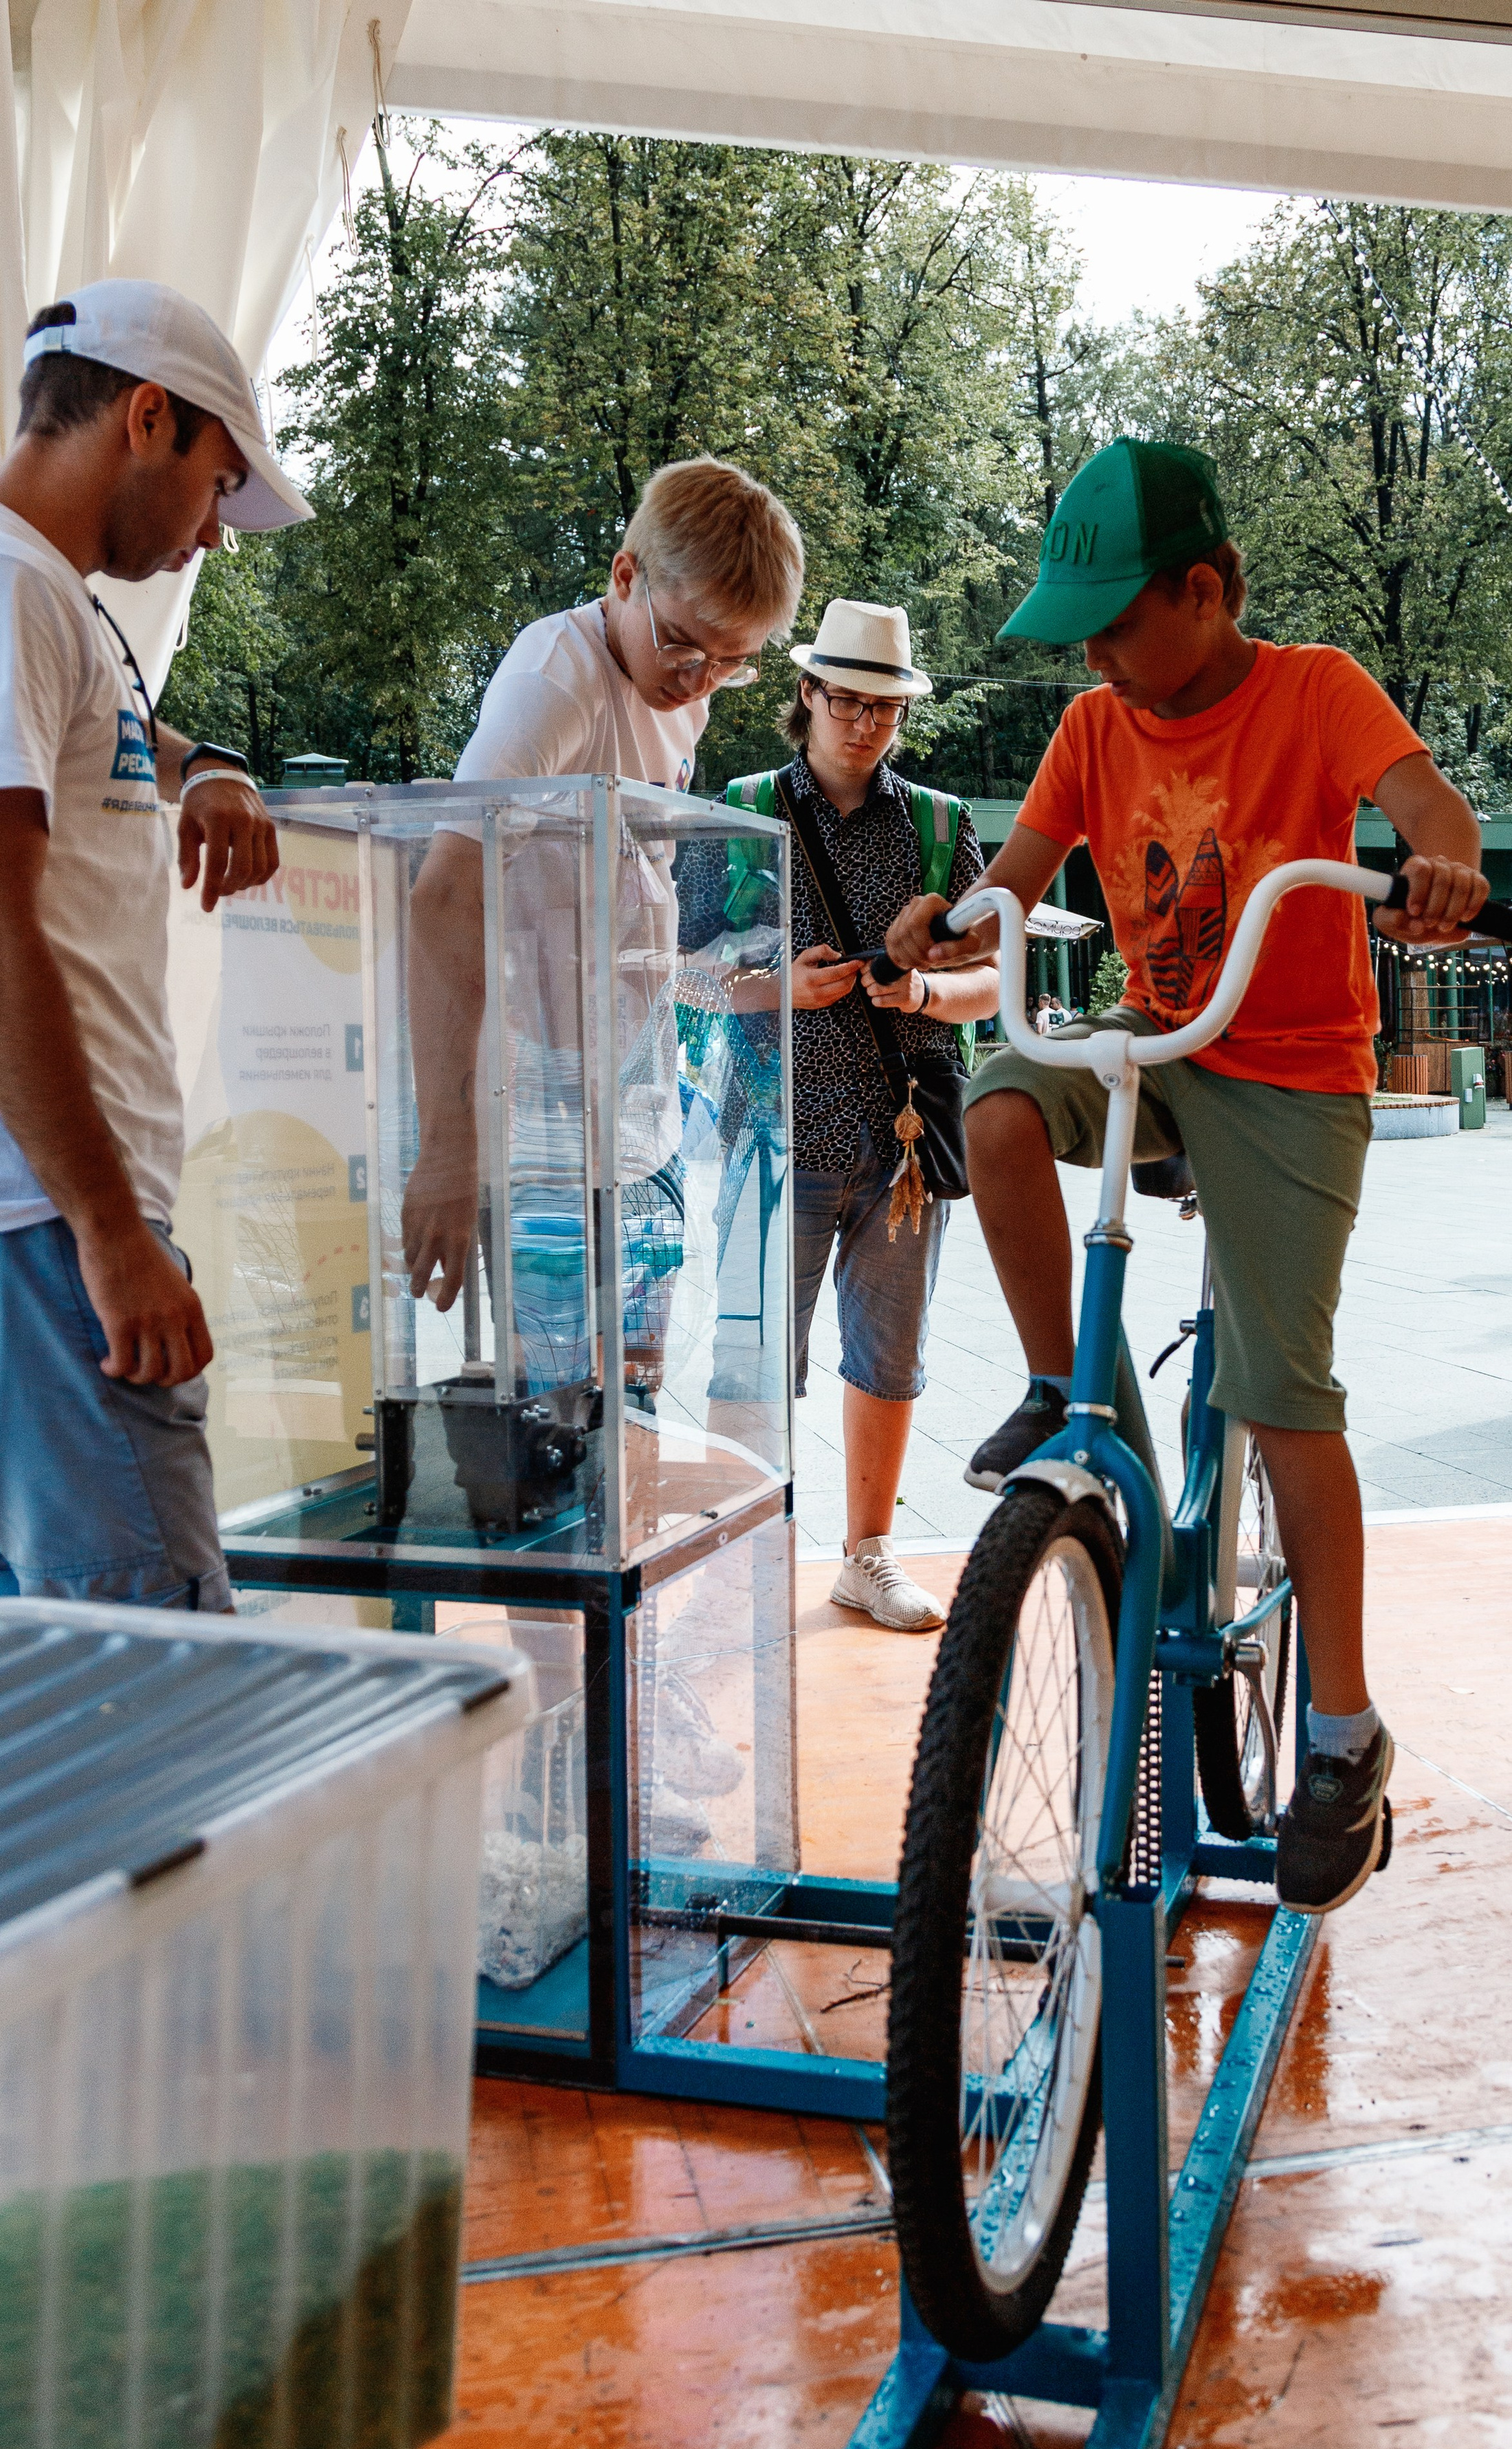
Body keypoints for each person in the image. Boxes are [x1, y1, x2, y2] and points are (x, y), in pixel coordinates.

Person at [886, 436, 1489, 1916]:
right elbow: (1015, 874)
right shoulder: (1094, 727)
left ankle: (1341, 1737)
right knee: (1006, 1102)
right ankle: (1062, 1395)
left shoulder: (1316, 688)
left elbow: (1431, 813)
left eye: (1112, 618)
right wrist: (962, 920)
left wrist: (1438, 870)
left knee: (1281, 1394)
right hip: (1158, 1042)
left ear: (1206, 591)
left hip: (1285, 1068)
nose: (1091, 650)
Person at [0, 279, 309, 1606]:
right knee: (155, 1689)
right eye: (219, 485)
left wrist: (204, 762)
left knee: (61, 1687)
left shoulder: (18, 588)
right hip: (30, 1214)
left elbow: (92, 738)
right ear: (146, 417)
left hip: (9, 1211)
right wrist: (110, 1232)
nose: (217, 534)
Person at [399, 456, 804, 1849]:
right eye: (683, 644)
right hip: (540, 1129)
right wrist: (450, 1149)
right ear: (622, 578)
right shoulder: (557, 675)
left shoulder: (661, 696)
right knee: (550, 1451)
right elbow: (443, 885)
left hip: (634, 1118)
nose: (698, 682)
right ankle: (564, 1755)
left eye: (734, 663)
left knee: (624, 1430)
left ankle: (618, 1706)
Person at [722, 600, 999, 1631]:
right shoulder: (742, 810)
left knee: (889, 1357)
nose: (864, 723)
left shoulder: (938, 823)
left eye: (883, 706)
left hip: (904, 1142)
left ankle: (866, 1555)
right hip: (768, 1134)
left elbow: (991, 979)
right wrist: (773, 986)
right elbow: (675, 970)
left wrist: (923, 995)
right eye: (846, 699)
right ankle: (740, 1554)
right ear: (807, 695)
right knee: (751, 1359)